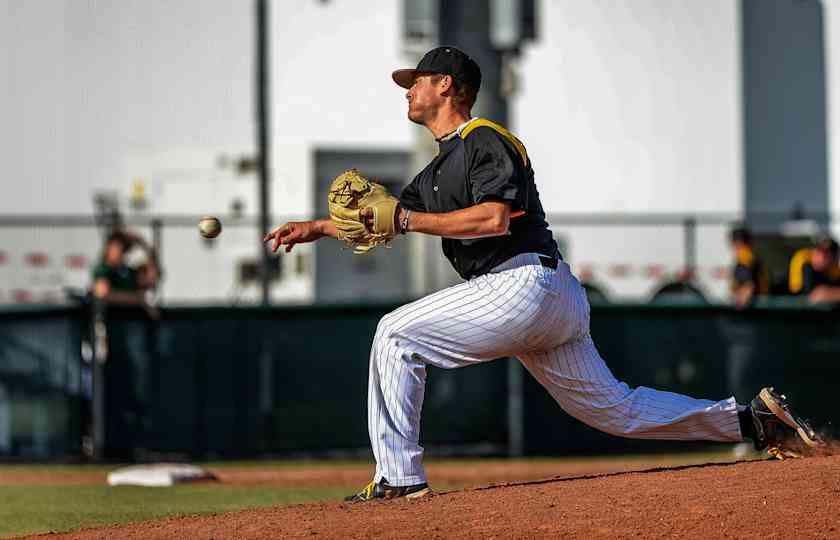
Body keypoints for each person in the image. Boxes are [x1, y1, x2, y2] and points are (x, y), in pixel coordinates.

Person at [264, 47, 824, 502]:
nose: (407, 89)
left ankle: (399, 477)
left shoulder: (486, 137)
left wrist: (407, 219)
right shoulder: (433, 174)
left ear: (448, 87)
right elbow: (379, 222)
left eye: (418, 79)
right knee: (616, 411)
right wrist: (315, 227)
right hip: (544, 300)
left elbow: (492, 218)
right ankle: (751, 424)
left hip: (522, 284)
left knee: (394, 334)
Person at [788, 235, 840, 304]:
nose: (820, 256)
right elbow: (814, 296)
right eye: (818, 250)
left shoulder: (834, 268)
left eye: (827, 254)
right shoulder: (805, 263)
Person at [728, 226, 769, 308]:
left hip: (754, 310)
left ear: (737, 243)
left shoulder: (744, 258)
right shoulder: (752, 257)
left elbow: (748, 286)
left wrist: (739, 304)